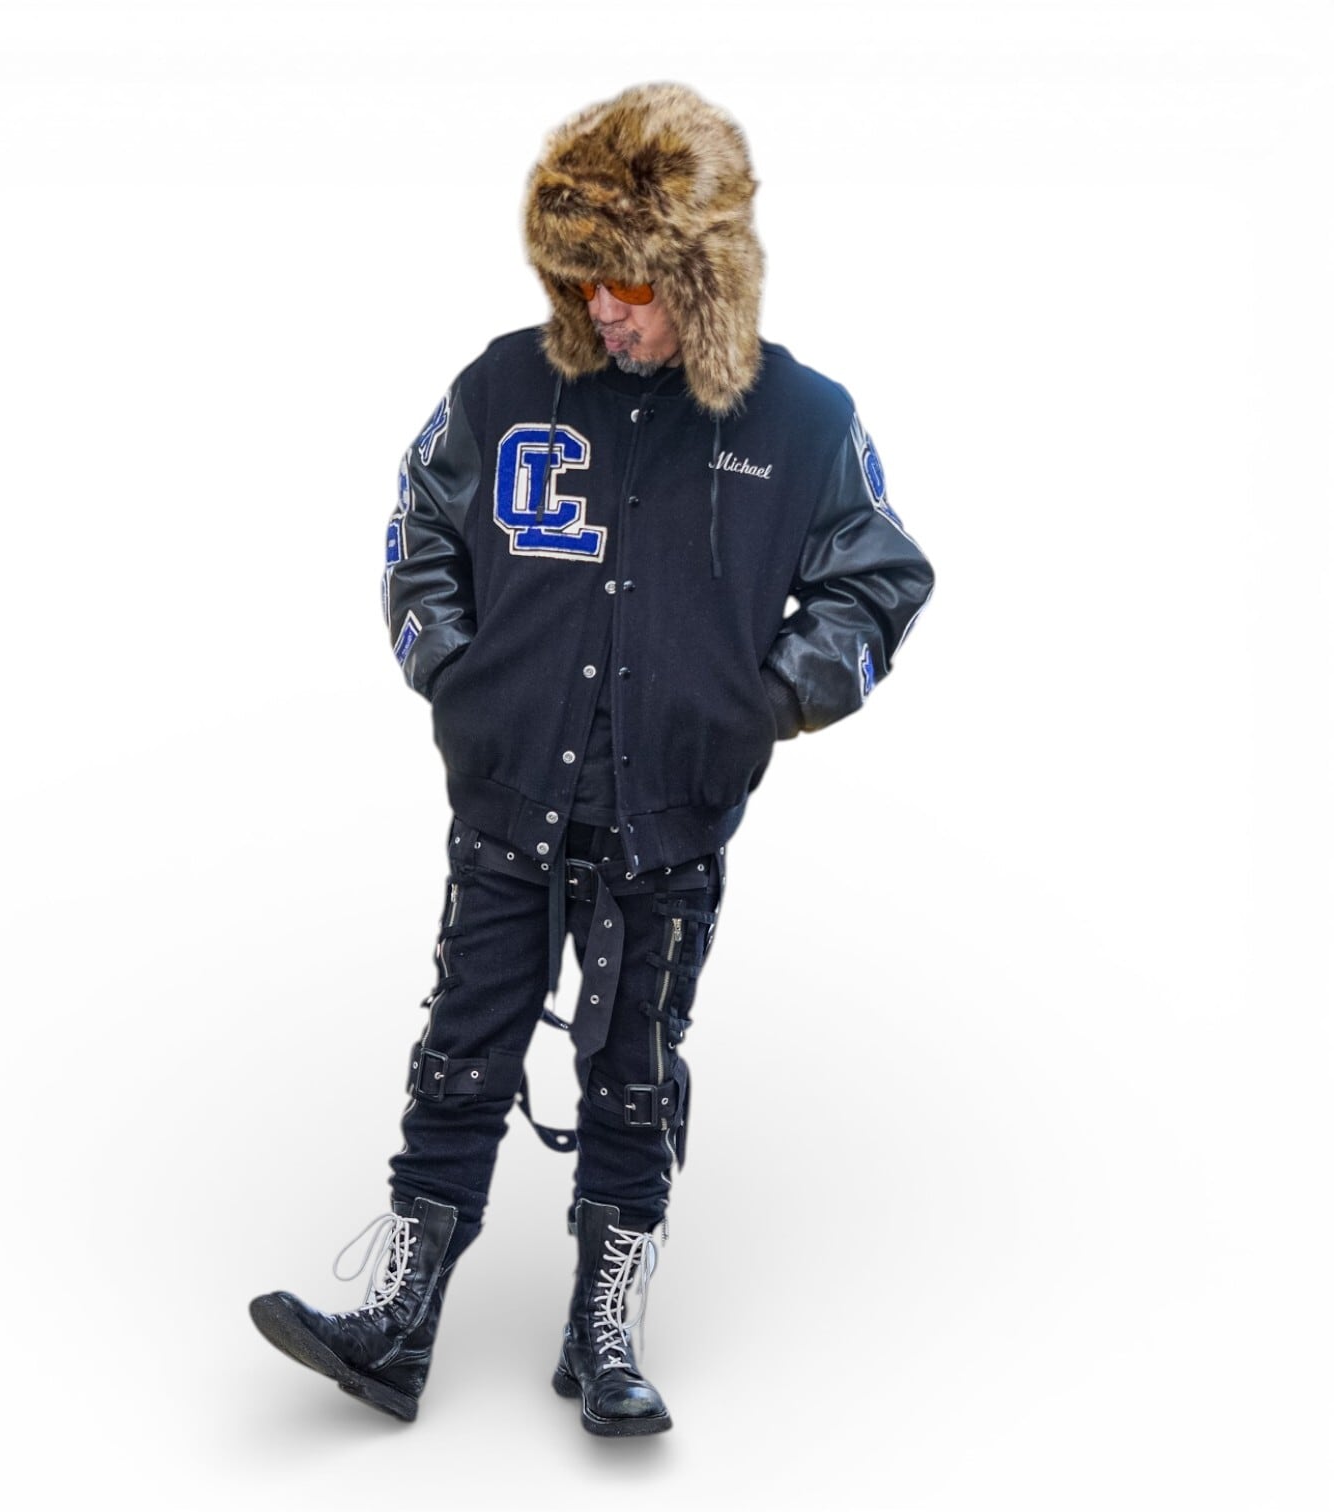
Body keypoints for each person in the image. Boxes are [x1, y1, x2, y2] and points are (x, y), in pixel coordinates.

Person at [250, 81, 935, 1438]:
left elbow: (882, 579)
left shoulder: (802, 422)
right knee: (460, 1049)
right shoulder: (506, 385)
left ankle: (604, 1334)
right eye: (580, 280)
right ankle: (396, 1321)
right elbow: (419, 527)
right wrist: (454, 675)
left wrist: (763, 704)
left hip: (666, 819)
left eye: (627, 283)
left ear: (701, 277)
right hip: (509, 797)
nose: (603, 311)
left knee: (634, 1071)